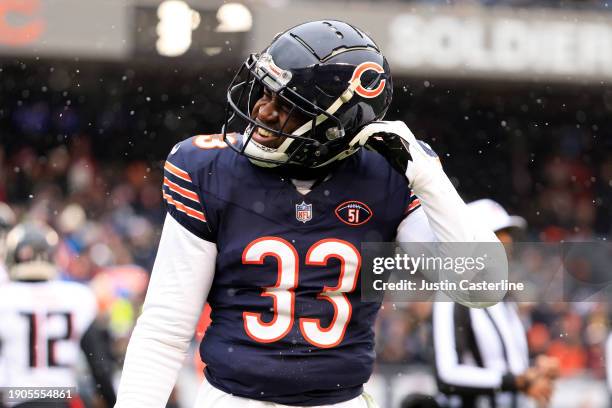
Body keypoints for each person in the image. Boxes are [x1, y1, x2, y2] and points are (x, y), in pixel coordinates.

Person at [115, 20, 500, 408]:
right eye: (266, 91)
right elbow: (165, 329)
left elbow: (481, 288)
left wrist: (429, 178)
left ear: (337, 127)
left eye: (288, 106)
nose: (263, 110)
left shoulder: (390, 176)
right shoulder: (209, 168)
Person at [432, 199, 559, 408]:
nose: (506, 242)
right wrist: (516, 381)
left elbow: (508, 364)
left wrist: (536, 368)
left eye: (506, 235)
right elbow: (446, 374)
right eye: (495, 236)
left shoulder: (504, 297)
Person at [0, 221, 116, 408]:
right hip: (62, 399)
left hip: (18, 398)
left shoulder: (5, 298)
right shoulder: (77, 297)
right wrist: (111, 400)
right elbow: (99, 366)